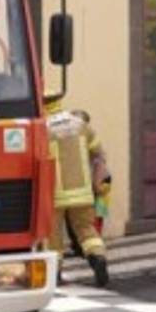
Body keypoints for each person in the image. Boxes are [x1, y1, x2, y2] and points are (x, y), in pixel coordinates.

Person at [44, 96, 110, 288]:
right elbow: (99, 155)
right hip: (82, 191)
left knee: (53, 237)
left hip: (54, 193)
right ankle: (98, 258)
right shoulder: (81, 125)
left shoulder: (42, 128)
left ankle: (55, 275)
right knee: (87, 230)